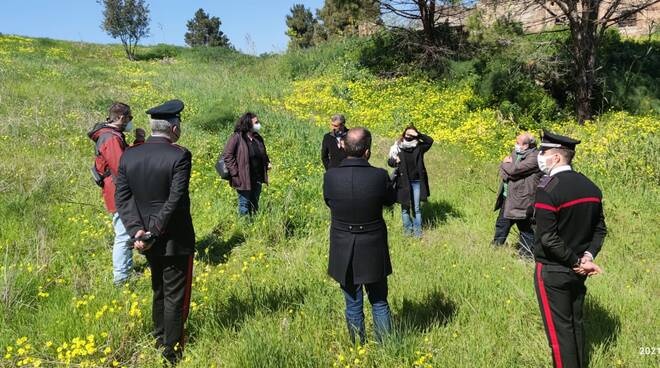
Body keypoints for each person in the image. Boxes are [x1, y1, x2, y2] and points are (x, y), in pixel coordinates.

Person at [115, 99, 195, 365]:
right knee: (174, 294)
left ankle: (159, 337)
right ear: (173, 128)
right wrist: (153, 232)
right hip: (173, 237)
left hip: (145, 238)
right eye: (179, 123)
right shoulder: (180, 155)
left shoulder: (130, 154)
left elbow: (122, 198)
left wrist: (138, 231)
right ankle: (171, 351)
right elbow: (175, 199)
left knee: (158, 288)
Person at [533, 129, 607, 368]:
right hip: (580, 270)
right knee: (575, 325)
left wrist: (575, 261)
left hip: (554, 269)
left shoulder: (548, 189)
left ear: (556, 157)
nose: (540, 156)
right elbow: (600, 230)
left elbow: (548, 238)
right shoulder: (591, 187)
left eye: (543, 152)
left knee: (559, 335)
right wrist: (587, 257)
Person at [323, 127, 396, 344]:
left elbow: (329, 202)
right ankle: (386, 347)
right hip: (373, 246)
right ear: (367, 151)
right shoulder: (379, 176)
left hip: (342, 246)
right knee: (379, 301)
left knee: (352, 302)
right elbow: (390, 200)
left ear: (343, 147)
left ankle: (358, 348)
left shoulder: (331, 176)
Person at [88, 102, 145, 285]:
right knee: (123, 233)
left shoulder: (112, 135)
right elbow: (122, 167)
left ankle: (125, 272)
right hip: (118, 191)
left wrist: (138, 142)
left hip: (116, 189)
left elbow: (124, 157)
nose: (130, 122)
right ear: (121, 117)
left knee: (126, 231)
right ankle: (121, 278)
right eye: (130, 118)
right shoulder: (111, 138)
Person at [492, 132, 542, 257]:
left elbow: (514, 170)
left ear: (528, 145)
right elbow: (505, 173)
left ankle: (526, 256)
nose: (516, 145)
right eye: (516, 142)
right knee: (502, 223)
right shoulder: (516, 153)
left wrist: (505, 164)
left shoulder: (535, 157)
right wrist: (507, 169)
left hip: (523, 200)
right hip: (507, 196)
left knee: (525, 228)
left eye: (519, 143)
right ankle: (495, 248)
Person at [387, 126, 434, 237]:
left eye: (411, 135)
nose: (408, 136)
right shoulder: (397, 147)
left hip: (417, 181)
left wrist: (418, 134)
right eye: (406, 134)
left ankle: (418, 232)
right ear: (403, 134)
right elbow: (390, 162)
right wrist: (395, 160)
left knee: (416, 208)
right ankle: (408, 232)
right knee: (405, 208)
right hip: (403, 182)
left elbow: (430, 141)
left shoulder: (419, 147)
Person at [223, 112, 270, 216]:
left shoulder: (258, 138)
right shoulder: (237, 137)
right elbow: (227, 155)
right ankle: (243, 228)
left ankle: (253, 226)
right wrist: (235, 173)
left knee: (254, 204)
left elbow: (263, 153)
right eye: (256, 122)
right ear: (248, 124)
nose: (258, 124)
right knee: (244, 205)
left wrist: (267, 163)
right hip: (243, 177)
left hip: (257, 177)